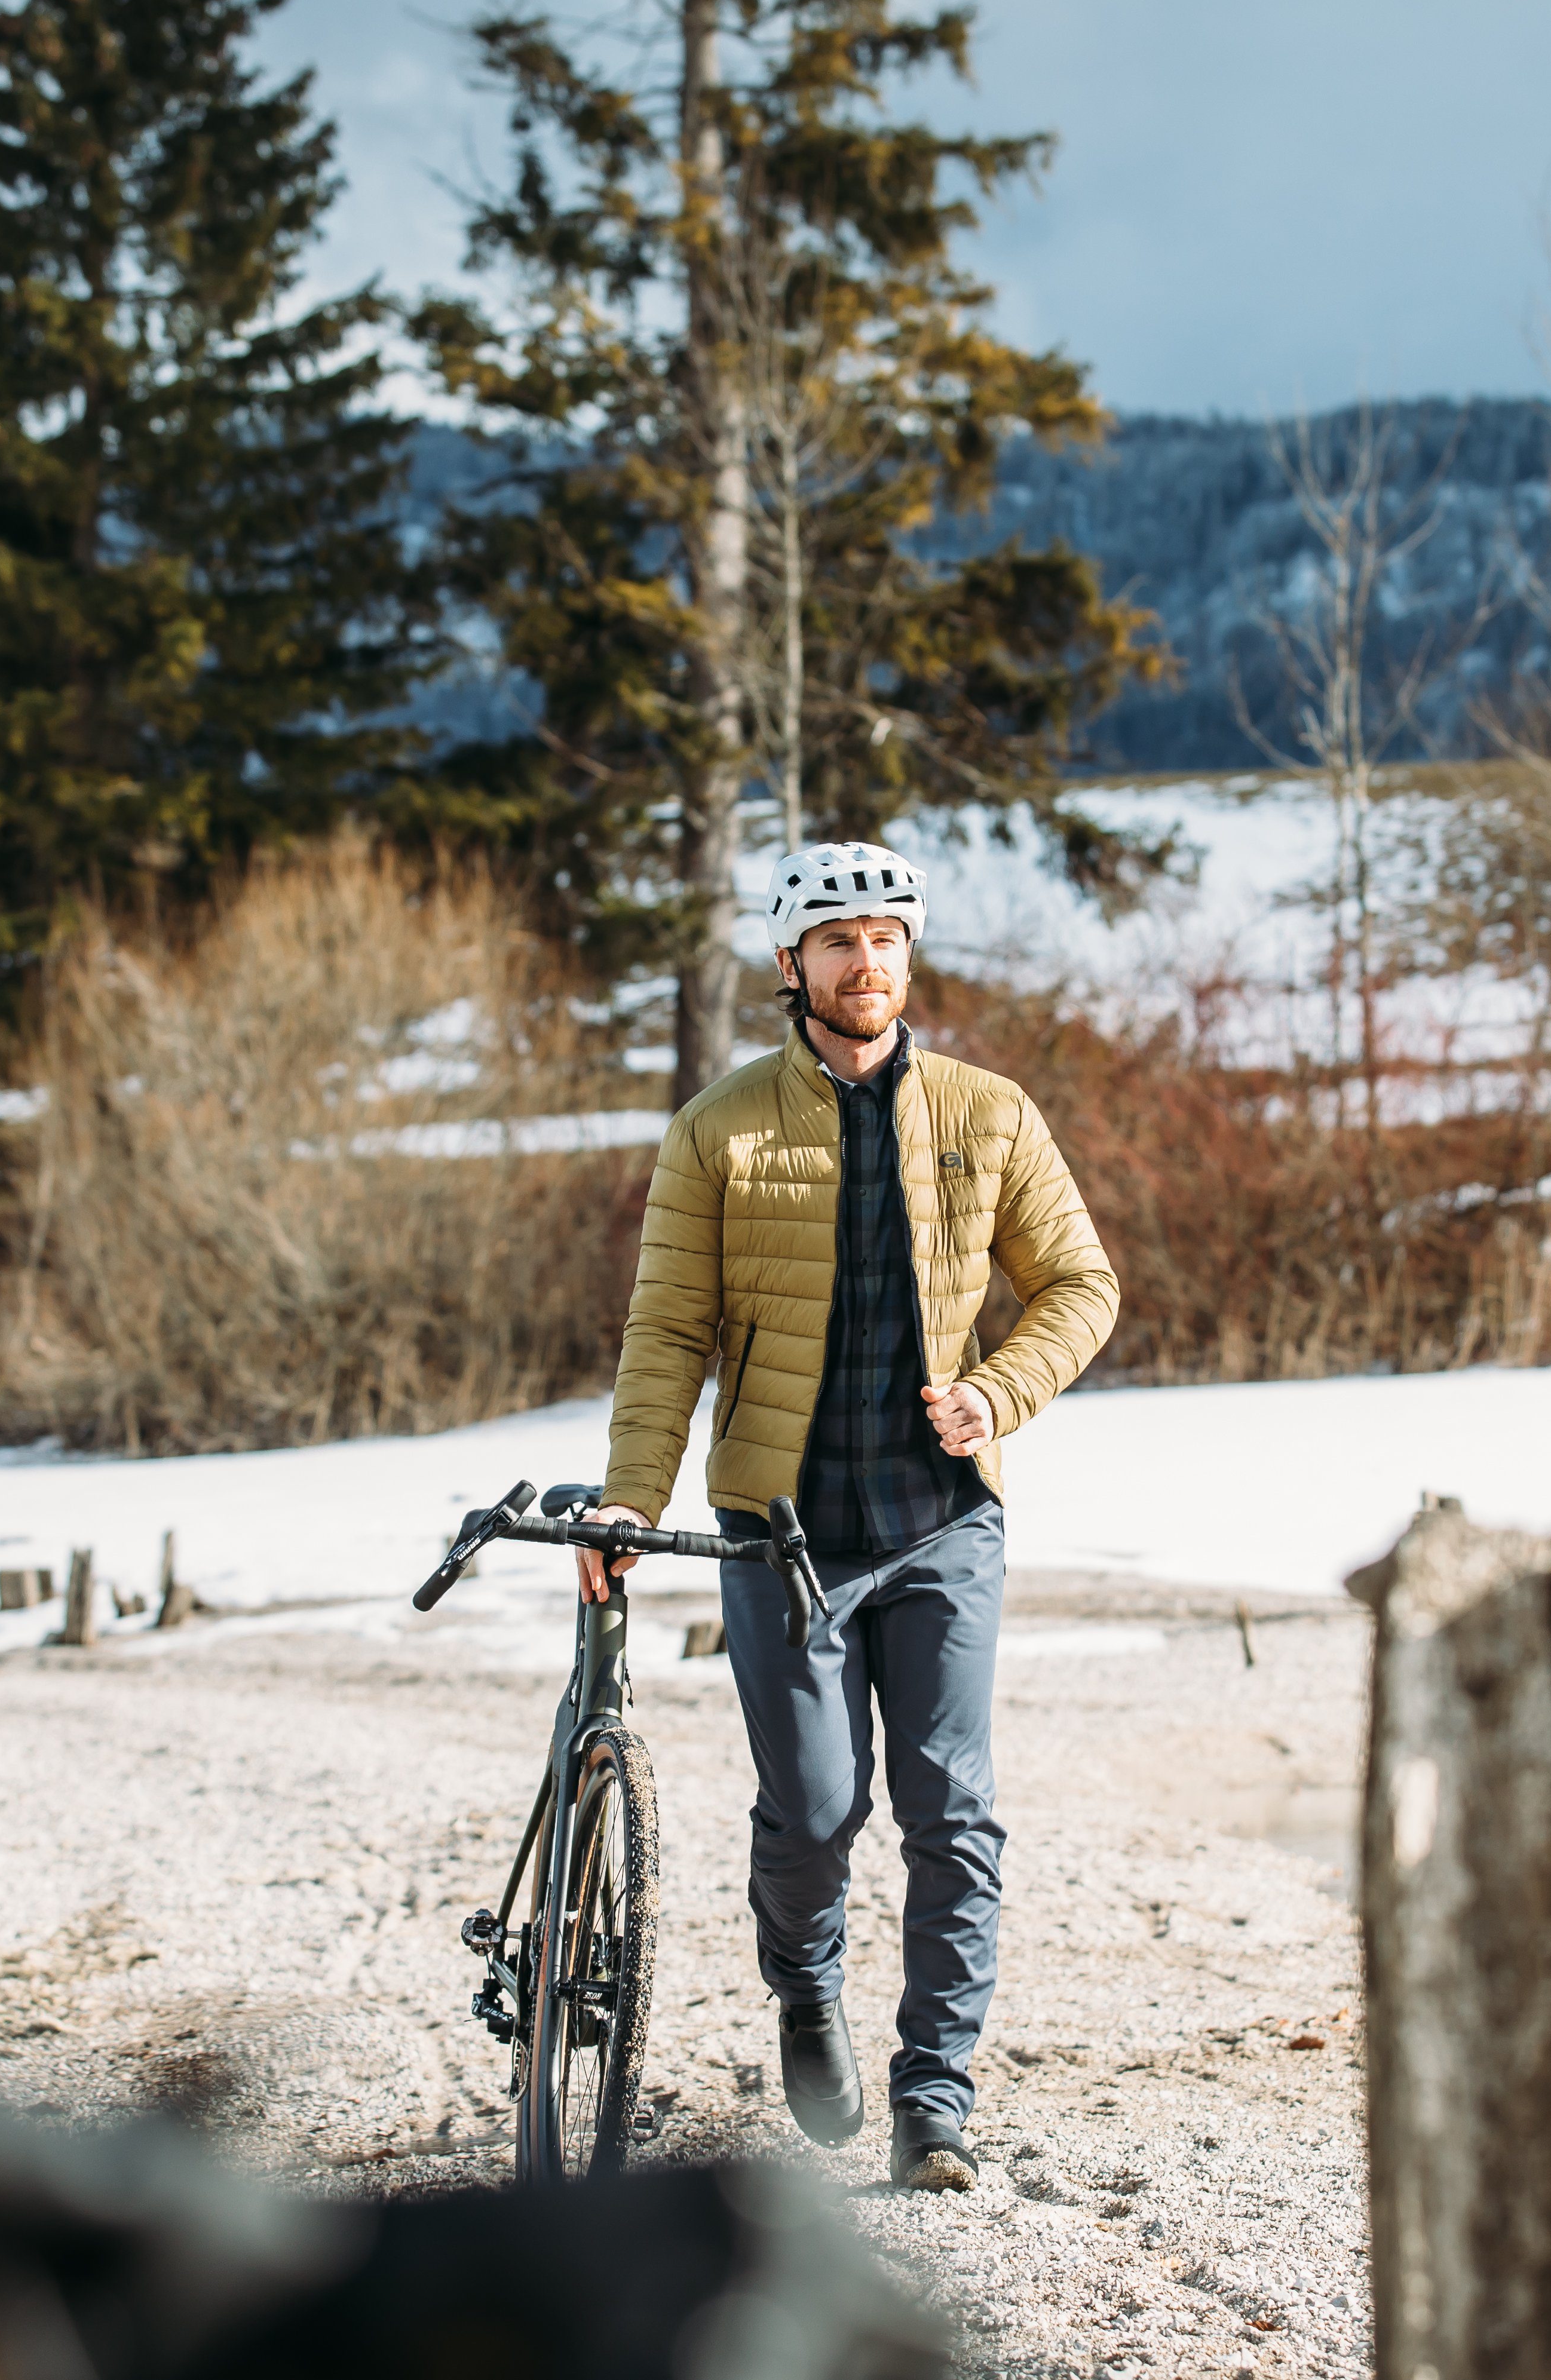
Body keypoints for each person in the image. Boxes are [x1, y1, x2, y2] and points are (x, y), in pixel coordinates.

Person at [585, 840, 1119, 2193]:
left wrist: (998, 1396)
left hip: (942, 1524)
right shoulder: (720, 1127)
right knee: (816, 1811)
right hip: (782, 1531)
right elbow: (667, 1332)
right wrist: (627, 1502)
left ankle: (933, 2096)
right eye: (835, 942)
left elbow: (1077, 1284)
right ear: (789, 965)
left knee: (952, 1810)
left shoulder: (989, 1114)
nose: (863, 962)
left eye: (883, 938)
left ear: (907, 955)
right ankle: (803, 1984)